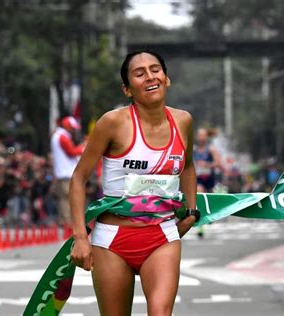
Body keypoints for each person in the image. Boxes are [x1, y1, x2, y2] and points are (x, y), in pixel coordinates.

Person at [69, 50, 198, 316]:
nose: (150, 77)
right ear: (127, 90)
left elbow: (188, 166)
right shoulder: (112, 123)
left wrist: (192, 212)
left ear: (167, 78)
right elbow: (78, 178)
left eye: (155, 70)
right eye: (139, 74)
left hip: (162, 235)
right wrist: (81, 237)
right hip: (113, 239)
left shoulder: (183, 121)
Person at [50, 115, 84, 226]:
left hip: (62, 173)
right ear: (68, 127)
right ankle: (67, 222)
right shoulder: (62, 137)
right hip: (66, 173)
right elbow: (72, 152)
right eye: (73, 128)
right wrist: (83, 147)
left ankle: (64, 221)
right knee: (67, 199)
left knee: (63, 199)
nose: (74, 130)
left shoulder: (57, 136)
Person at [193, 127, 220, 238]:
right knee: (199, 197)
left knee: (208, 200)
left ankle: (209, 216)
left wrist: (207, 165)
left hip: (209, 178)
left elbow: (218, 163)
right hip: (198, 179)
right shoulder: (194, 149)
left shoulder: (211, 149)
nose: (201, 137)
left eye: (203, 135)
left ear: (207, 137)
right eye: (200, 135)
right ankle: (201, 227)